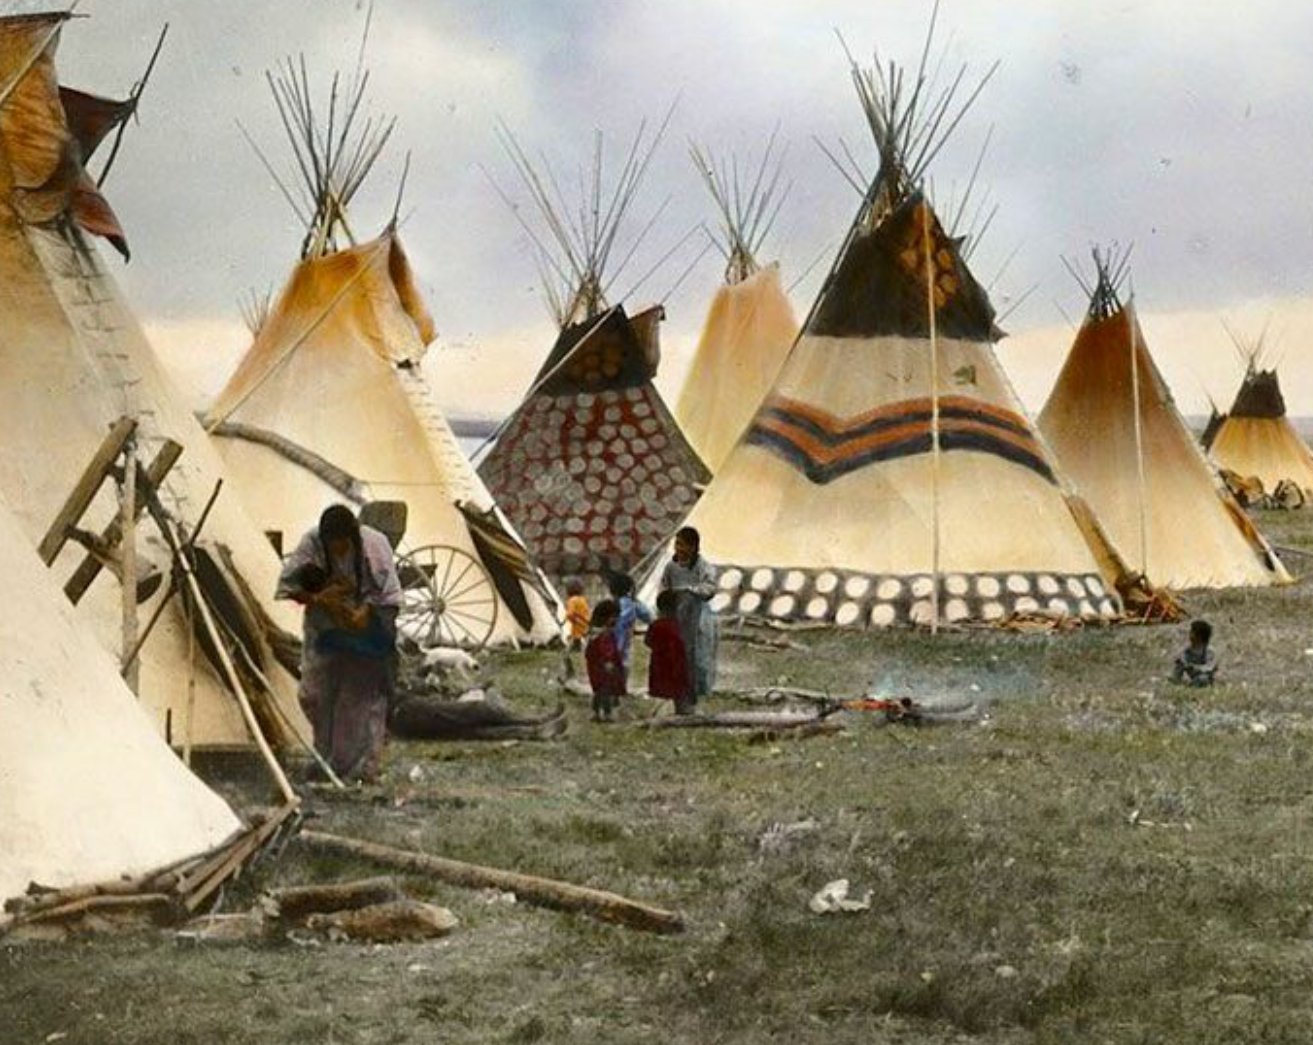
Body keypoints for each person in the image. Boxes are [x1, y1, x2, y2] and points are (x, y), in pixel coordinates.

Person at [277, 505, 401, 783]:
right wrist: (320, 599)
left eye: (342, 545)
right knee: (314, 694)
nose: (338, 552)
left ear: (353, 537)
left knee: (358, 699)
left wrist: (362, 613)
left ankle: (362, 764)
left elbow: (386, 595)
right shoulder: (311, 545)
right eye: (332, 546)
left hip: (369, 624)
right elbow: (289, 586)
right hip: (326, 626)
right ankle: (325, 756)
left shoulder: (374, 545)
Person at [660, 526, 719, 698]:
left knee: (699, 652)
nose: (678, 549)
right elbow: (664, 587)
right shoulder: (671, 567)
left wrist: (690, 591)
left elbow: (710, 587)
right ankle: (679, 686)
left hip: (698, 614)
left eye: (682, 545)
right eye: (676, 544)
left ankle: (698, 688)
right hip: (677, 614)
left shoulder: (704, 567)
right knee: (679, 652)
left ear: (692, 547)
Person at [646, 590, 692, 714]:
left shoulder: (655, 625)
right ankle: (682, 710)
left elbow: (648, 641)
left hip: (659, 663)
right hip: (675, 662)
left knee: (662, 690)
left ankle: (660, 711)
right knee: (678, 688)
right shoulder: (676, 625)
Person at [608, 572, 651, 695]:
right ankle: (621, 688)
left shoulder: (611, 604)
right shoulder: (633, 603)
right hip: (625, 639)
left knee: (611, 662)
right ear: (631, 589)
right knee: (624, 661)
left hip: (611, 639)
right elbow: (648, 616)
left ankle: (612, 688)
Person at [585, 599, 625, 722]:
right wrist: (608, 661)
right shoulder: (602, 634)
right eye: (614, 617)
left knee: (600, 691)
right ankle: (606, 713)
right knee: (605, 690)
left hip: (599, 666)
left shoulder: (596, 633)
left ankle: (597, 712)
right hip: (603, 667)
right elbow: (605, 649)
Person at [1172, 619, 1217, 687]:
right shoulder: (1188, 650)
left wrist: (1195, 667)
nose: (1190, 635)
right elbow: (1181, 658)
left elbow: (1210, 667)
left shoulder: (1208, 651)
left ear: (1199, 636)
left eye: (1192, 632)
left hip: (1203, 676)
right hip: (1192, 675)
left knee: (1202, 679)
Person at [564, 578, 591, 652]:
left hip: (577, 623)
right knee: (579, 638)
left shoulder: (572, 601)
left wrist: (571, 619)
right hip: (586, 623)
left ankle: (576, 649)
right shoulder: (582, 599)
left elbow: (570, 614)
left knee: (576, 637)